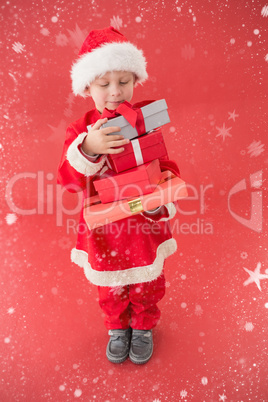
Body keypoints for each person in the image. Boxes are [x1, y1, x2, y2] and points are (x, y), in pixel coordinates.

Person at [57, 26, 178, 365]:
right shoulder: (80, 130)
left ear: (135, 82)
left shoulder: (143, 119)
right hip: (105, 229)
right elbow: (68, 181)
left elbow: (163, 161)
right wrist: (88, 150)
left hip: (142, 222)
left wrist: (166, 189)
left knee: (147, 282)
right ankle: (116, 326)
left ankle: (142, 325)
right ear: (87, 87)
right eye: (104, 83)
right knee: (109, 286)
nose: (115, 92)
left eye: (123, 82)